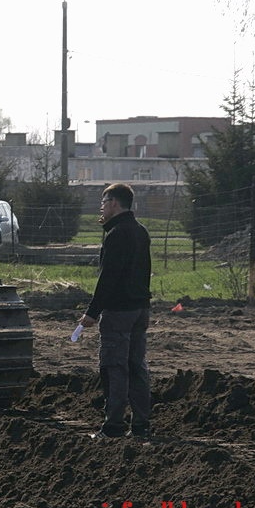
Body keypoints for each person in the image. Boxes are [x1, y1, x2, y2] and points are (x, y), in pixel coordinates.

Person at [79, 183, 152, 440]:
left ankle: (113, 427)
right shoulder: (141, 231)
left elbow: (108, 277)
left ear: (114, 203)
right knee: (136, 366)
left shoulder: (117, 233)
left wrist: (92, 311)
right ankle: (142, 425)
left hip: (119, 311)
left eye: (103, 202)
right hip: (140, 309)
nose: (101, 207)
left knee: (114, 366)